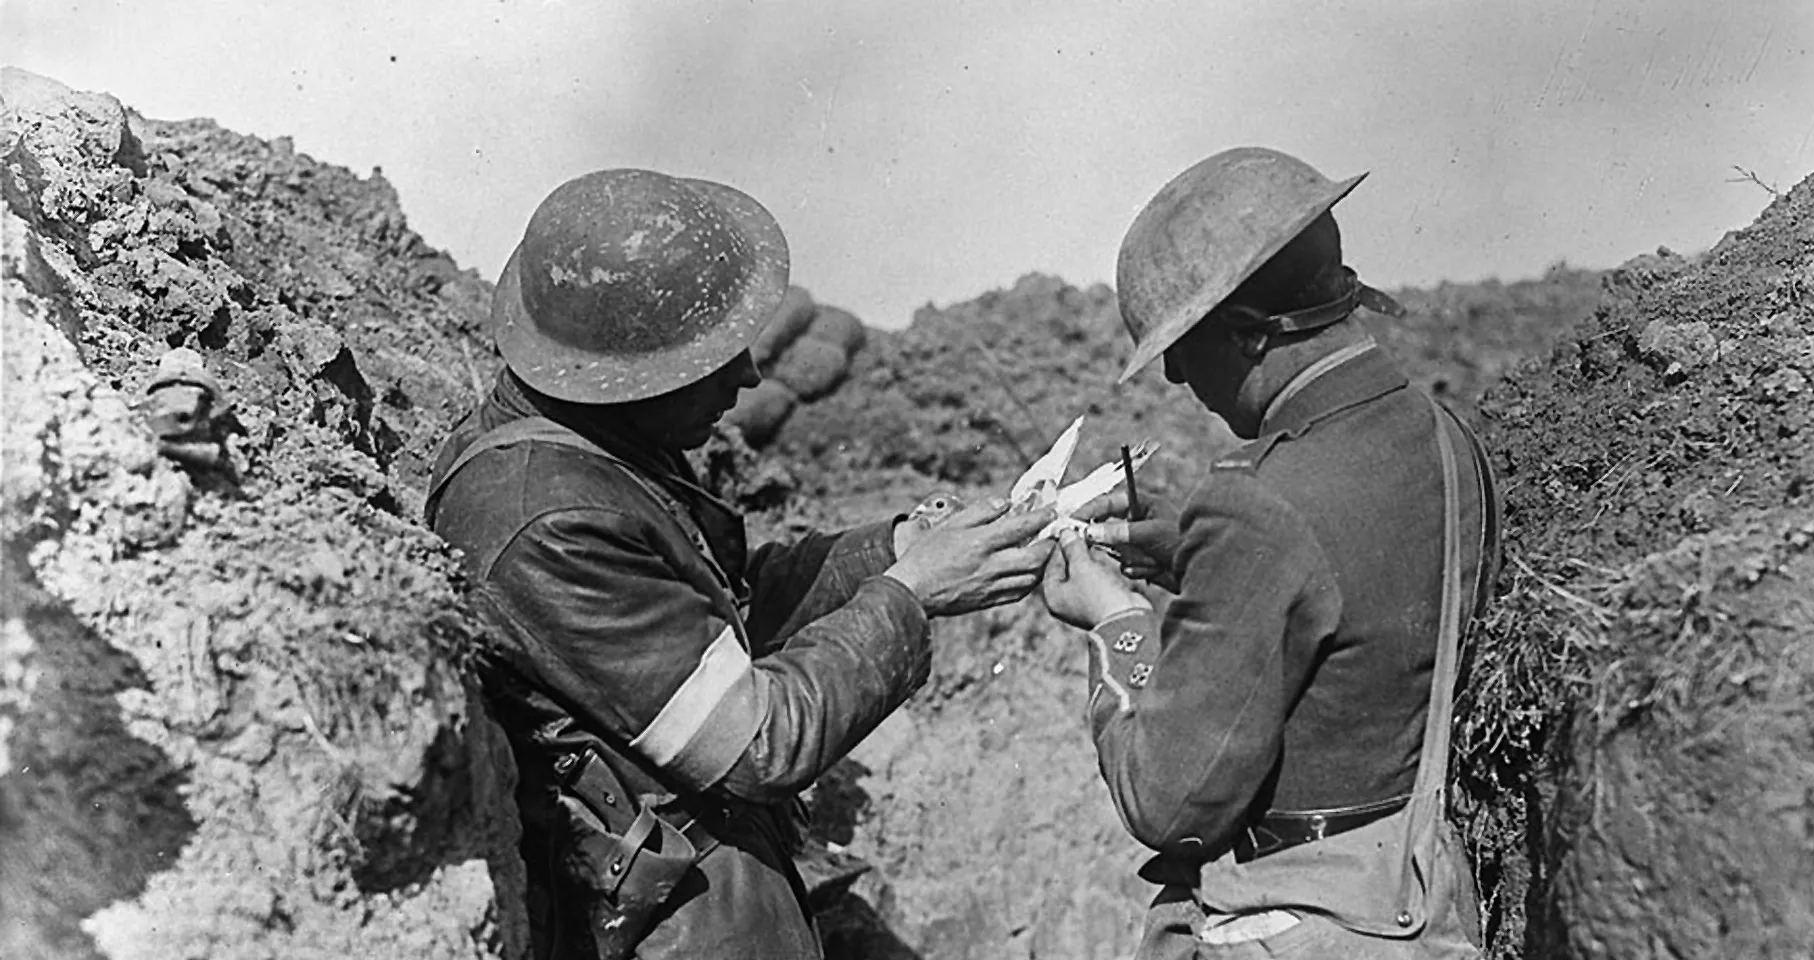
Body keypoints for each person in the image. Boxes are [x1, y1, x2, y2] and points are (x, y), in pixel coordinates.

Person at [425, 168, 1053, 960]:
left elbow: (714, 616)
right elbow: (759, 743)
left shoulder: (597, 451)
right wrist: (911, 594)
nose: (748, 376)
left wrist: (895, 547)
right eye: (709, 359)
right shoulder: (546, 518)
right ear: (625, 375)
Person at [1040, 148, 1503, 958]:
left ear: (1248, 335)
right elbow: (1360, 597)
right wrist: (1202, 552)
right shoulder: (1445, 437)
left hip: (1296, 924)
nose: (1181, 380)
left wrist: (1114, 620)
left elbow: (1170, 803)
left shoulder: (1258, 506)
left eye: (1181, 353)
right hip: (1420, 902)